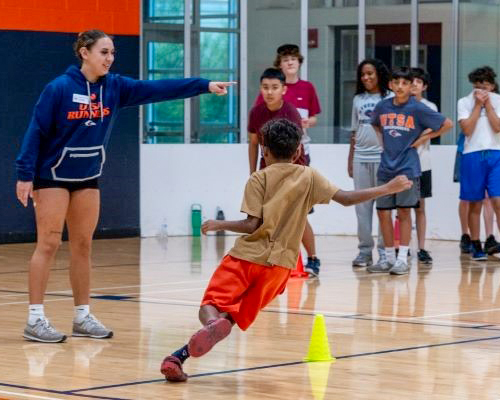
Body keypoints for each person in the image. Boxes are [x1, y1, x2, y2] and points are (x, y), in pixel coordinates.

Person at [15, 29, 234, 343]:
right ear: (84, 53)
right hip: (52, 177)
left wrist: (203, 85)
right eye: (104, 52)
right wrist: (25, 175)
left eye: (113, 53)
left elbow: (156, 88)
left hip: (87, 176)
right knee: (48, 244)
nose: (110, 58)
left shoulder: (115, 87)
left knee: (83, 245)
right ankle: (35, 318)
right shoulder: (59, 89)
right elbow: (35, 131)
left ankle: (82, 315)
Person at [160, 118, 412, 382]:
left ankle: (209, 325)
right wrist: (387, 188)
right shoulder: (309, 175)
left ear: (264, 151)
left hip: (247, 258)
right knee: (232, 317)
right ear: (298, 152)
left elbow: (251, 224)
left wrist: (219, 223)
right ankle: (179, 356)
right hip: (280, 268)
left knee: (212, 306)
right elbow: (346, 199)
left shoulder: (258, 179)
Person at [368, 67, 452, 275]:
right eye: (396, 82)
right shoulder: (382, 106)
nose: (400, 86)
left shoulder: (418, 108)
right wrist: (385, 143)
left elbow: (447, 124)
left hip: (407, 167)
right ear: (390, 85)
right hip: (386, 167)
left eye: (405, 83)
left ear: (411, 86)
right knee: (383, 214)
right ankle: (387, 258)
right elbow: (376, 125)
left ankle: (402, 259)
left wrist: (424, 138)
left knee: (404, 212)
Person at [254, 44, 322, 276]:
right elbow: (254, 138)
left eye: (274, 88)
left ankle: (312, 259)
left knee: (298, 216)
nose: (270, 91)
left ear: (282, 89)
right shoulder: (260, 107)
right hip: (270, 167)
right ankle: (274, 259)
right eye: (266, 88)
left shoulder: (298, 100)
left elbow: (311, 120)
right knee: (270, 217)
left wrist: (294, 171)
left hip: (296, 163)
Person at [349, 59, 393, 268]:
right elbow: (354, 132)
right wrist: (350, 159)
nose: (366, 78)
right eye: (363, 74)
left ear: (379, 74)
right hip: (361, 158)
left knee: (384, 208)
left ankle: (385, 252)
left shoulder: (390, 98)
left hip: (384, 159)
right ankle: (365, 252)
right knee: (362, 208)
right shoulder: (358, 99)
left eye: (370, 73)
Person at [458, 66, 500, 260]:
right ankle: (475, 243)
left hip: (496, 154)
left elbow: (497, 126)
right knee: (474, 203)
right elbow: (467, 129)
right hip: (472, 155)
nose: (480, 91)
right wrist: (477, 106)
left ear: (491, 86)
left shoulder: (498, 101)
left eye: (484, 86)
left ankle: (494, 240)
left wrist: (488, 105)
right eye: (476, 86)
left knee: (497, 201)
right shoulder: (464, 102)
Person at [410, 67, 438, 264]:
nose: (413, 85)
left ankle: (421, 248)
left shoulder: (430, 107)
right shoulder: (398, 106)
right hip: (401, 164)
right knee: (399, 208)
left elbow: (433, 128)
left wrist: (417, 139)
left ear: (424, 86)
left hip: (422, 164)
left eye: (418, 82)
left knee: (420, 207)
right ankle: (399, 247)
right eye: (410, 81)